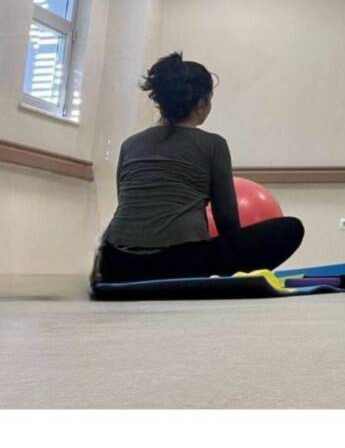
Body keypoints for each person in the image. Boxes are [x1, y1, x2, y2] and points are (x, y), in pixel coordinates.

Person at [94, 53, 305, 283]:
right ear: (202, 103)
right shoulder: (214, 145)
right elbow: (227, 222)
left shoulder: (130, 144)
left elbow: (126, 203)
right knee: (292, 228)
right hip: (182, 264)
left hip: (116, 264)